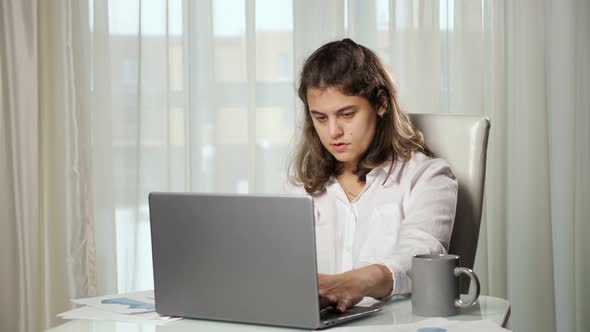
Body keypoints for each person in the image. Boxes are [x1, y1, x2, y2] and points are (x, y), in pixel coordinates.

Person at [287, 38, 458, 313]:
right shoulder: (302, 188)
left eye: (346, 114)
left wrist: (356, 283)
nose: (333, 132)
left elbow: (421, 257)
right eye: (320, 118)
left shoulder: (428, 176)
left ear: (380, 104)